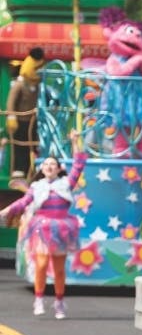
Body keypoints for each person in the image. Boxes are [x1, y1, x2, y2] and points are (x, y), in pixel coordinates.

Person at [0, 131, 87, 319]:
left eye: (52, 164)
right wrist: (6, 211)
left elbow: (79, 164)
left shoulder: (65, 183)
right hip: (42, 228)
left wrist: (75, 141)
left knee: (59, 269)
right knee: (40, 264)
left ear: (58, 169)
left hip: (61, 228)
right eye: (46, 164)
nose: (49, 167)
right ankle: (38, 299)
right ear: (42, 168)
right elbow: (23, 202)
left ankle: (59, 301)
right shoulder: (36, 187)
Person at [5, 47, 45, 177]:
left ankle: (31, 168)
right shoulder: (20, 84)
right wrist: (11, 117)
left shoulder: (38, 85)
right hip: (20, 121)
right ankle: (19, 168)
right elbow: (11, 101)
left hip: (33, 120)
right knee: (20, 146)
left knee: (33, 146)